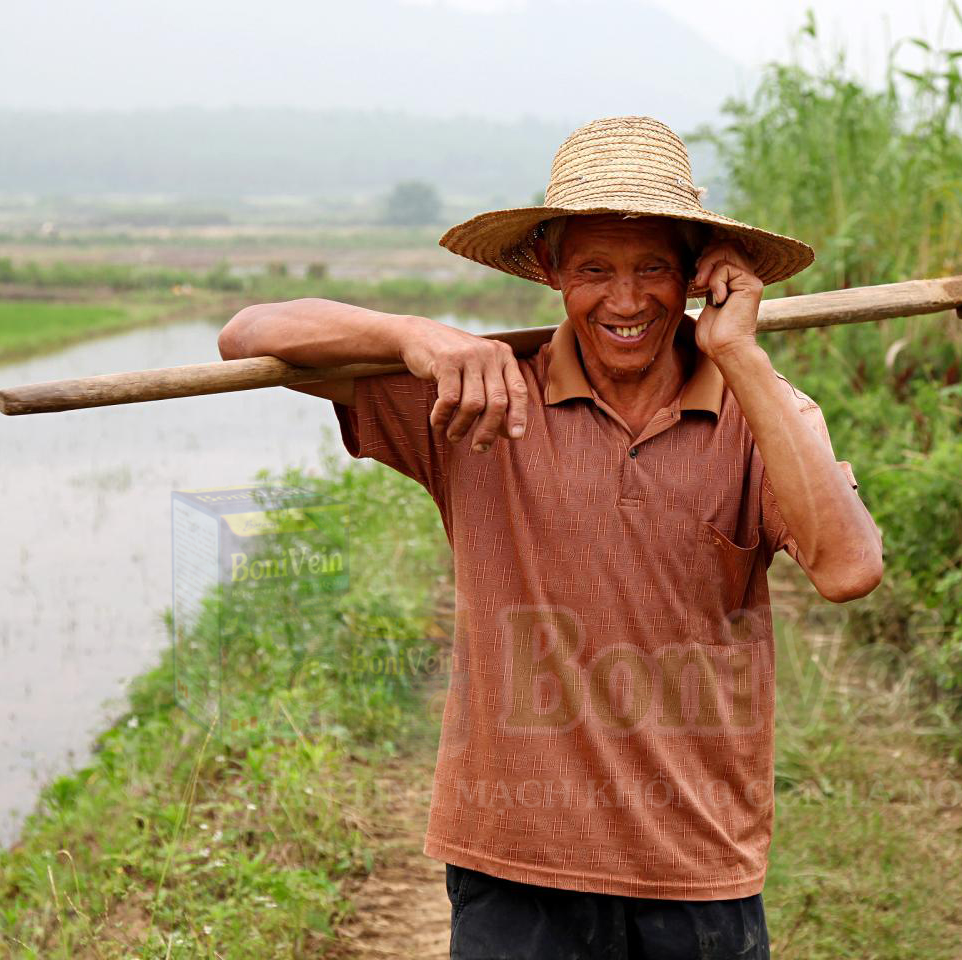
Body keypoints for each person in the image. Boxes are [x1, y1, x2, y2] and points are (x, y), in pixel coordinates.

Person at [218, 115, 883, 960]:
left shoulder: (765, 415)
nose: (627, 300)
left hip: (698, 866)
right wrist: (414, 335)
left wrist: (742, 356)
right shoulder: (478, 397)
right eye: (594, 269)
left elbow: (850, 567)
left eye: (653, 270)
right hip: (515, 860)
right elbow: (247, 335)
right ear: (548, 269)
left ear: (695, 275)